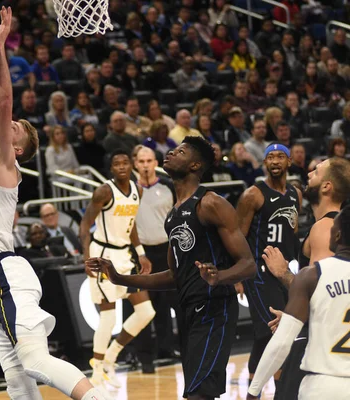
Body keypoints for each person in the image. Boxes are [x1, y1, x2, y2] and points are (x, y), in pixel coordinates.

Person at [0, 9, 107, 400]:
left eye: (14, 128)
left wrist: (2, 51)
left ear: (18, 148)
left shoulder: (3, 164)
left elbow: (2, 102)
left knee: (37, 362)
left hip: (6, 273)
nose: (7, 125)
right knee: (19, 384)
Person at [87, 136, 256, 400]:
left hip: (214, 308)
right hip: (188, 309)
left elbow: (248, 264)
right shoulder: (173, 215)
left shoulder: (211, 203)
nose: (171, 153)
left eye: (181, 151)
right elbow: (172, 275)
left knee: (197, 395)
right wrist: (120, 277)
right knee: (196, 392)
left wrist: (219, 276)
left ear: (195, 165)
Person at [258, 157, 350, 399]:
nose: (309, 174)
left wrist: (283, 273)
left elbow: (328, 290)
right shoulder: (329, 225)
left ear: (327, 186)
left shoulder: (324, 228)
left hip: (322, 356)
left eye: (317, 171)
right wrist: (294, 314)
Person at [79, 149, 156, 387]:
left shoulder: (138, 190)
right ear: (111, 168)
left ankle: (110, 357)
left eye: (125, 162)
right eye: (116, 163)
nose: (121, 166)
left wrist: (141, 253)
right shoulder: (104, 191)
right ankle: (97, 368)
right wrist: (86, 255)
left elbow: (130, 224)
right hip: (103, 254)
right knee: (109, 316)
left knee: (146, 312)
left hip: (125, 255)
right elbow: (85, 223)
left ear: (131, 165)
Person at [235, 143, 302, 391]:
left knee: (264, 335)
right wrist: (238, 277)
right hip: (259, 274)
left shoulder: (296, 193)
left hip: (284, 271)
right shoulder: (253, 194)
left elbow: (292, 233)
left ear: (289, 162)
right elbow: (238, 238)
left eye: (280, 157)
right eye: (270, 157)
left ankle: (253, 388)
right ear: (264, 163)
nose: (275, 161)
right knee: (278, 332)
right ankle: (281, 392)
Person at [133, 145, 179, 361]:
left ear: (156, 163)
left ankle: (167, 348)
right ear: (135, 164)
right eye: (141, 161)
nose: (145, 165)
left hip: (166, 249)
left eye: (149, 161)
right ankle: (142, 353)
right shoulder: (129, 191)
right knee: (141, 305)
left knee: (168, 301)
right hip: (141, 252)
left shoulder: (169, 187)